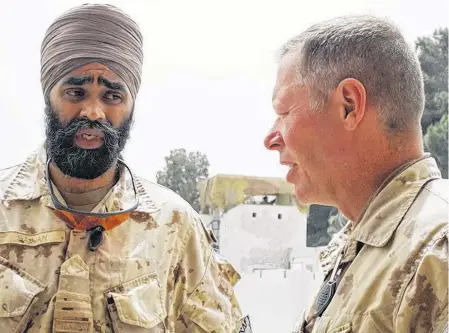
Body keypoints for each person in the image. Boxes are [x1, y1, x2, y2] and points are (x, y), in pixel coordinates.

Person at [0, 4, 243, 333]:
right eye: (76, 92)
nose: (93, 111)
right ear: (49, 97)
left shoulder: (174, 225)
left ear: (131, 106)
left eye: (112, 95)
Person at [264, 15, 448, 333]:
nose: (270, 139)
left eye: (283, 113)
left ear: (349, 105)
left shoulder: (436, 249)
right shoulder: (360, 246)